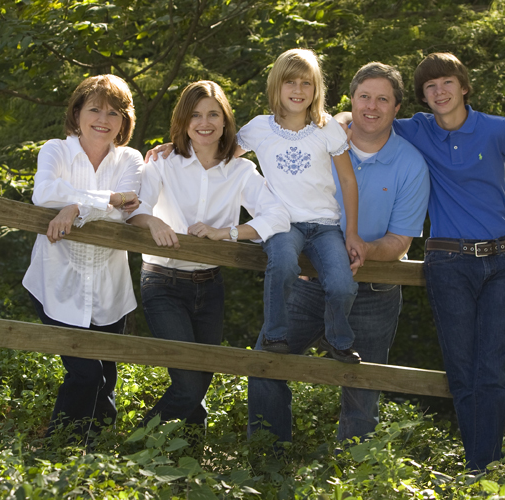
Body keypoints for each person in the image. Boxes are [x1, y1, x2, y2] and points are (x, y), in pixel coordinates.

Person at [392, 53, 505, 470]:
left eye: (447, 83)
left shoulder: (496, 129)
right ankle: (482, 471)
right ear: (423, 96)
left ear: (464, 86)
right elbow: (365, 119)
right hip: (447, 263)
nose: (440, 92)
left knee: (493, 372)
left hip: (501, 263)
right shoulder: (417, 130)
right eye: (430, 87)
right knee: (462, 372)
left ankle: (483, 470)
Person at [248, 62, 430, 443]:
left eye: (383, 100)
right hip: (307, 283)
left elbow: (400, 242)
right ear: (351, 100)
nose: (371, 107)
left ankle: (351, 470)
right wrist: (181, 150)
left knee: (362, 393)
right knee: (266, 363)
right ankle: (268, 459)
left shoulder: (411, 165)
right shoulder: (318, 134)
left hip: (375, 293)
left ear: (397, 108)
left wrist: (363, 247)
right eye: (364, 97)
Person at [127, 81, 289, 428]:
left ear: (225, 120)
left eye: (213, 114)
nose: (204, 122)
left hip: (210, 285)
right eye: (196, 115)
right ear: (183, 121)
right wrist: (152, 221)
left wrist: (228, 233)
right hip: (163, 283)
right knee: (188, 385)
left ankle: (188, 456)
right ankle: (134, 447)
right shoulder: (162, 163)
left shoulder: (240, 171)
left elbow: (278, 215)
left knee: (200, 383)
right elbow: (135, 210)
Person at [23, 74, 143, 442]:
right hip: (56, 281)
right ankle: (58, 449)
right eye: (94, 109)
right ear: (77, 113)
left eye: (114, 113)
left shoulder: (130, 159)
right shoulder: (55, 150)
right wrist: (109, 198)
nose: (103, 119)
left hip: (109, 287)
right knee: (86, 373)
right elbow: (44, 193)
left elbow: (124, 213)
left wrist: (74, 206)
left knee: (106, 378)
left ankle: (100, 454)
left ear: (124, 121)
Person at [237, 48, 366, 363]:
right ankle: (275, 335)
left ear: (316, 88)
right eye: (290, 82)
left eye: (306, 83)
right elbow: (219, 158)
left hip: (325, 226)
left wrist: (351, 232)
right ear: (276, 86)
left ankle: (337, 339)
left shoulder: (327, 128)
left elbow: (348, 181)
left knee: (342, 284)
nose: (298, 89)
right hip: (282, 222)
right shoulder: (258, 128)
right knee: (282, 265)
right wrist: (177, 147)